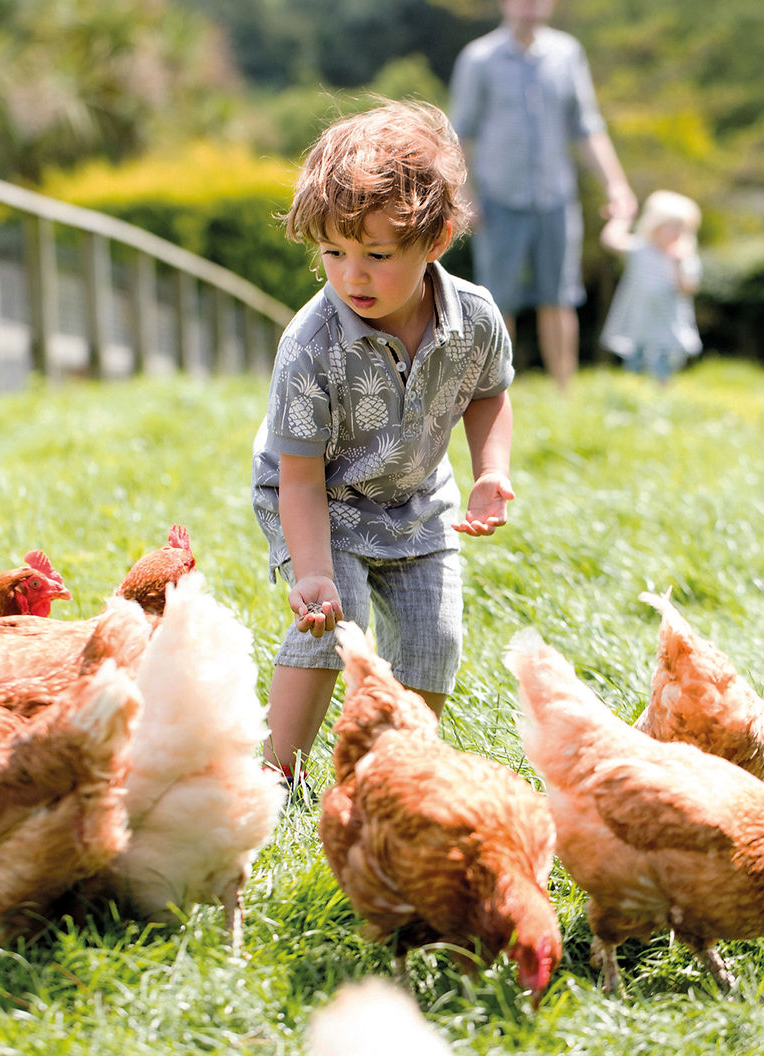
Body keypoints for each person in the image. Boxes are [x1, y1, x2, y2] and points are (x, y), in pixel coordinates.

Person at [251, 99, 515, 794]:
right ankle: (276, 772)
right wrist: (312, 574)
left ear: (437, 240)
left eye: (375, 255)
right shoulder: (310, 347)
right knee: (338, 625)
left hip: (418, 499)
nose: (351, 276)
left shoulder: (476, 318)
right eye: (332, 253)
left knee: (436, 641)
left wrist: (491, 469)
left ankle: (393, 776)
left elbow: (488, 393)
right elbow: (301, 478)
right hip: (323, 500)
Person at [449, 0, 636, 390]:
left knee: (560, 298)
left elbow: (587, 128)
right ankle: (497, 396)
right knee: (496, 305)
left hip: (556, 198)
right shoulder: (479, 58)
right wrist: (465, 196)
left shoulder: (567, 53)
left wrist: (616, 186)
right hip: (499, 200)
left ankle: (563, 393)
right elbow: (459, 134)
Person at [598, 189, 703, 382]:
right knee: (635, 367)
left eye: (681, 228)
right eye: (672, 227)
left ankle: (659, 401)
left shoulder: (684, 258)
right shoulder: (641, 250)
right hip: (639, 324)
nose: (677, 233)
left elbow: (689, 289)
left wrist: (678, 266)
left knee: (663, 369)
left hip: (667, 327)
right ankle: (636, 402)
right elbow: (611, 242)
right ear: (655, 227)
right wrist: (622, 217)